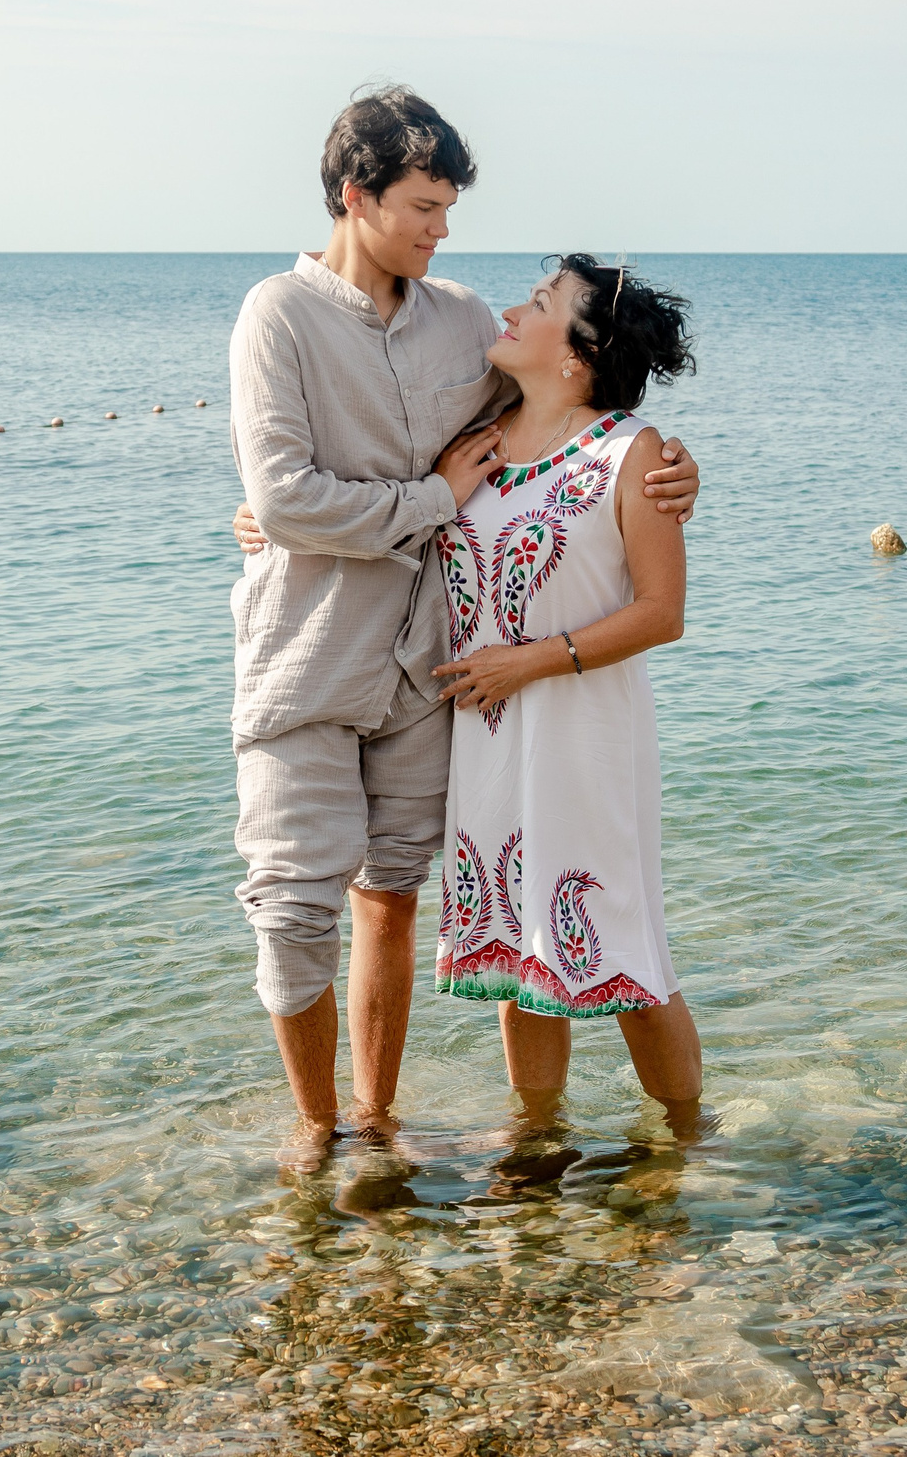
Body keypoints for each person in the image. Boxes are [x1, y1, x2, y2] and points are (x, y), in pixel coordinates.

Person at [226, 86, 700, 1151]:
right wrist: (328, 512)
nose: (444, 233)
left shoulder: (462, 323)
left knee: (421, 900)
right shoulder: (280, 315)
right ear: (357, 197)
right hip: (332, 665)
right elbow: (295, 494)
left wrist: (673, 464)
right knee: (308, 910)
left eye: (448, 210)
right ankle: (330, 1140)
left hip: (443, 680)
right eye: (425, 209)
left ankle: (389, 1119)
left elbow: (582, 406)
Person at [430, 256, 703, 1130]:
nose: (511, 308)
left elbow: (663, 614)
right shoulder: (474, 438)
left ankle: (687, 1144)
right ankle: (537, 1139)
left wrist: (530, 661)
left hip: (583, 732)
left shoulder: (636, 454)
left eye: (540, 302)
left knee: (622, 949)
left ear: (579, 354)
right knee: (520, 949)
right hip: (487, 739)